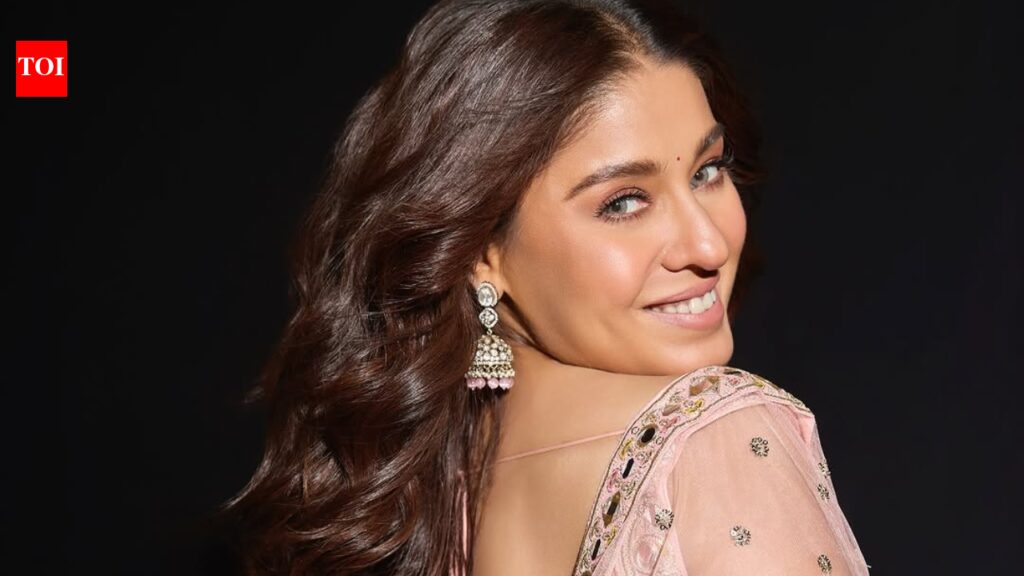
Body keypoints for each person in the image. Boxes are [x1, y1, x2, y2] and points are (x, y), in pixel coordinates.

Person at [224, 0, 871, 574]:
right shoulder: (714, 434)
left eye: (708, 170)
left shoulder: (425, 483)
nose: (708, 245)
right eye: (624, 202)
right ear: (481, 251)